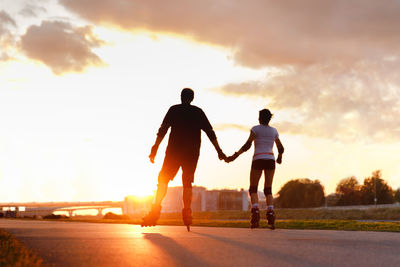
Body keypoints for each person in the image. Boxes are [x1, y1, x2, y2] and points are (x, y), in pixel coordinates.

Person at [142, 88, 226, 230]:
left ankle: (155, 211)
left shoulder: (174, 110)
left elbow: (163, 129)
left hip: (174, 152)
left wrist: (155, 147)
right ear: (192, 98)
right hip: (192, 153)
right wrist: (219, 151)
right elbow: (210, 132)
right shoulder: (198, 112)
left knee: (163, 179)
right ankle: (187, 213)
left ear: (181, 97)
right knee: (187, 182)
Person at [226, 109, 284, 229]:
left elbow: (248, 145)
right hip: (270, 159)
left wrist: (234, 156)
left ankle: (255, 214)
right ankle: (271, 215)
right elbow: (281, 147)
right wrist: (279, 158)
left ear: (260, 118)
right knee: (268, 190)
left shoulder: (256, 129)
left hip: (258, 159)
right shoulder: (274, 131)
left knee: (253, 188)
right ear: (269, 119)